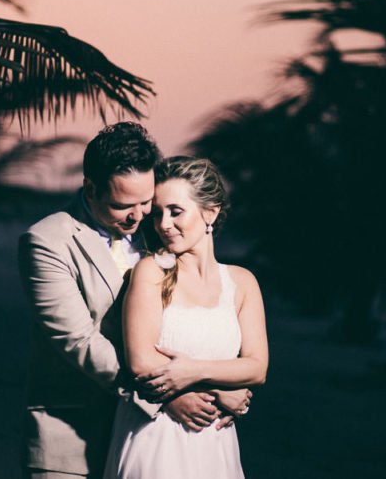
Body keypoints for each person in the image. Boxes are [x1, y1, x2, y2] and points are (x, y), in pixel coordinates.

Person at [18, 124, 233, 479]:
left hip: (146, 442)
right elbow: (78, 342)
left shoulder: (158, 229)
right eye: (122, 205)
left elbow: (195, 316)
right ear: (90, 188)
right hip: (73, 439)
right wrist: (165, 395)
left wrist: (228, 388)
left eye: (146, 201)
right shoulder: (47, 241)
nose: (138, 216)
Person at [103, 156, 268, 479]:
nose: (164, 224)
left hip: (214, 443)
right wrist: (221, 387)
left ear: (210, 212)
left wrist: (193, 372)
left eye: (176, 211)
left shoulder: (242, 282)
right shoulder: (150, 271)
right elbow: (140, 360)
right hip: (155, 437)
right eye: (158, 213)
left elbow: (257, 367)